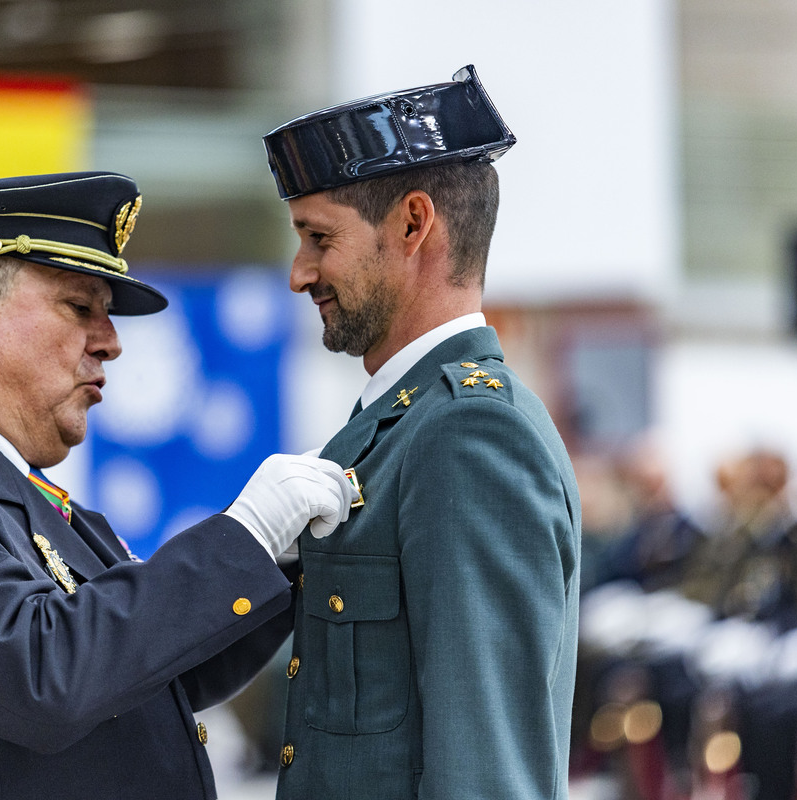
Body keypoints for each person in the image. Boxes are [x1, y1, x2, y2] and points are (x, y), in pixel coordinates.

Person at [0, 171, 356, 799]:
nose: (110, 343)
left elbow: (161, 674)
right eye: (81, 307)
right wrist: (243, 535)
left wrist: (279, 558)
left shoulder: (9, 490)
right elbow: (44, 676)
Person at [261, 66, 583, 799]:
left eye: (318, 238)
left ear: (412, 224)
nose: (298, 272)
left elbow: (487, 767)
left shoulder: (469, 433)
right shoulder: (401, 423)